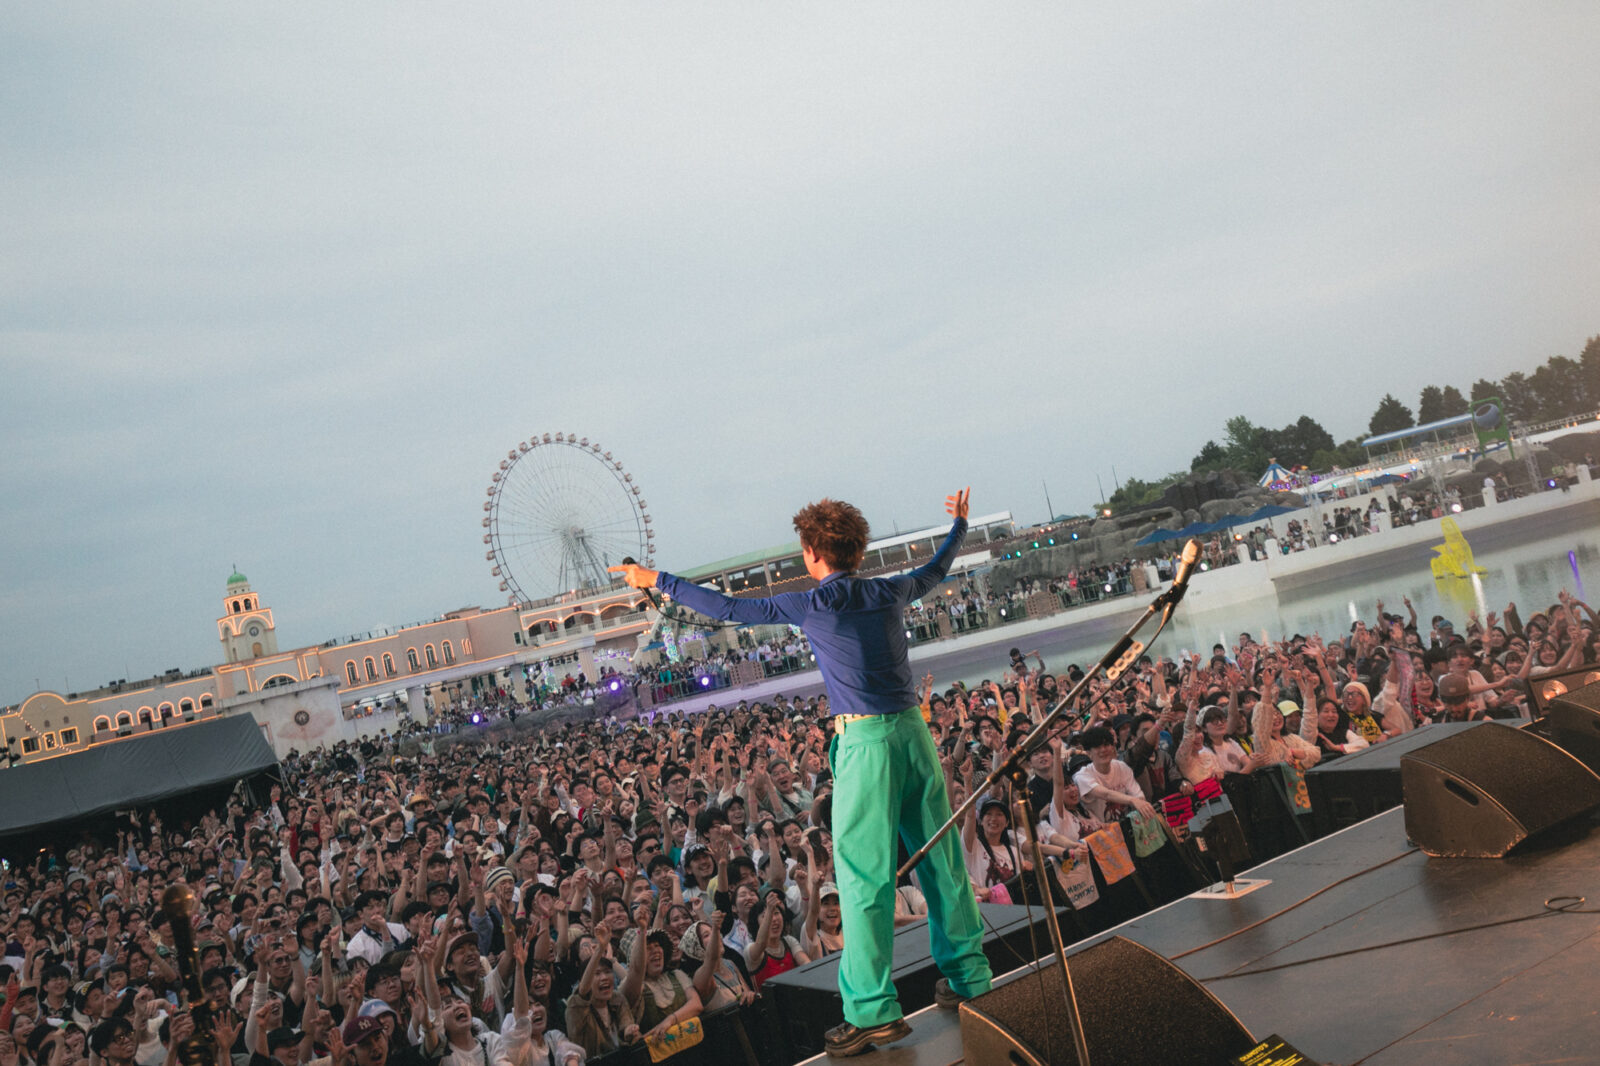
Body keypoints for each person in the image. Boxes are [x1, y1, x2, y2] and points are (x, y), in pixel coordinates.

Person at [610, 489, 993, 1057]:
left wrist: (655, 579)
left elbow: (727, 607)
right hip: (914, 733)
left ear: (813, 552)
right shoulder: (889, 589)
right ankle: (972, 978)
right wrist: (959, 525)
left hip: (866, 744)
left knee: (864, 879)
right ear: (857, 549)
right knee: (942, 860)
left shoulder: (813, 603)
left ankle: (873, 1011)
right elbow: (936, 570)